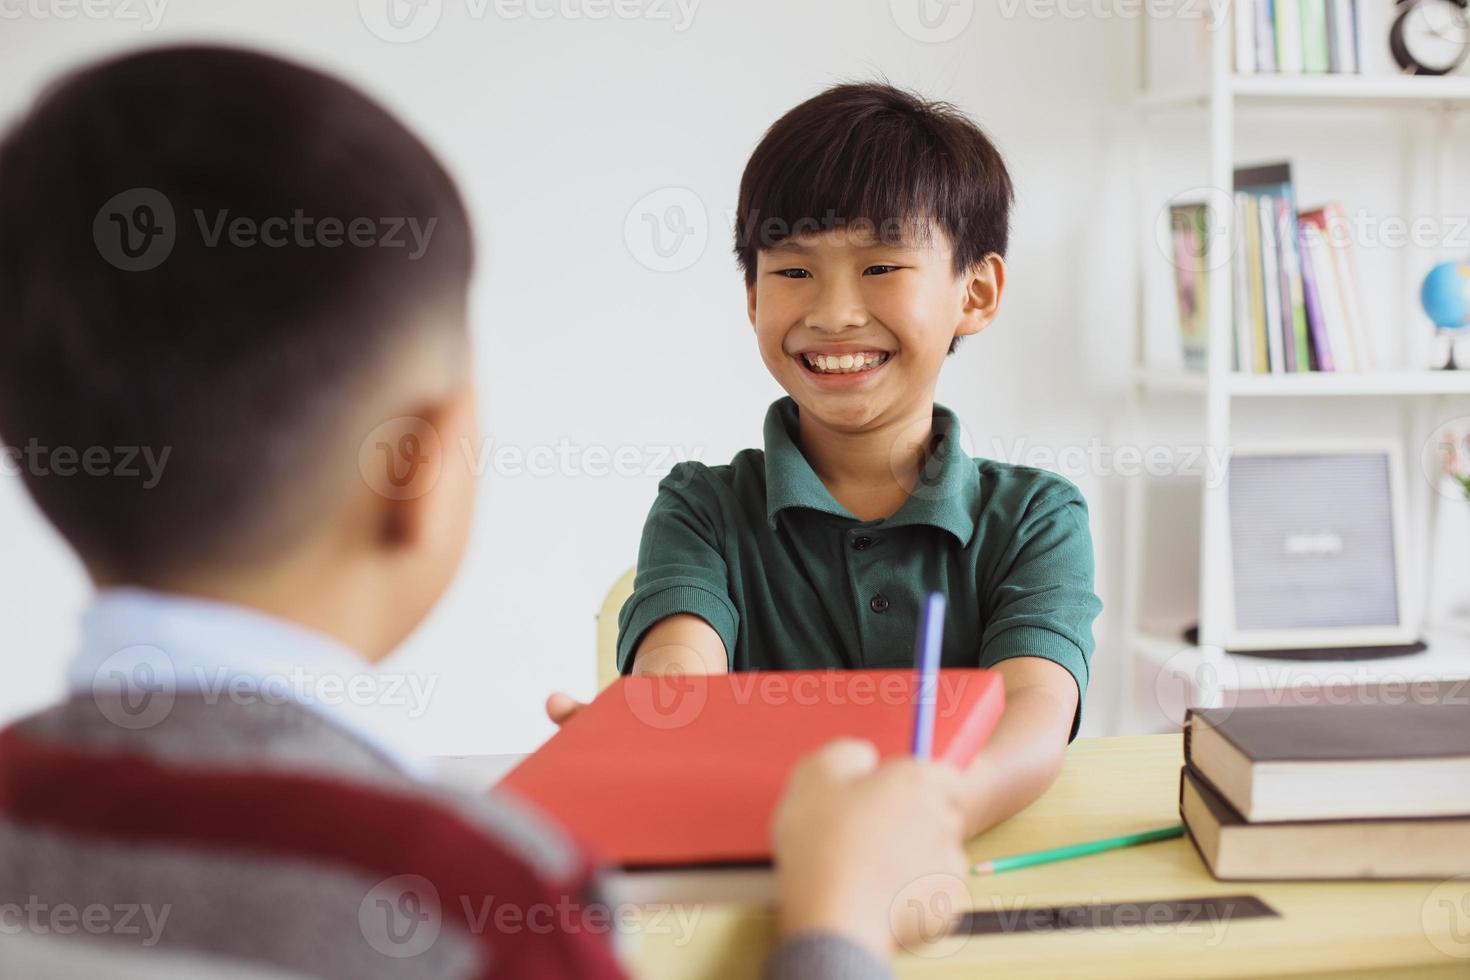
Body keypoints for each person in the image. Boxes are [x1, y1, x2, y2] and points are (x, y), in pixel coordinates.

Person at [0, 48, 968, 979]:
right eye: (793, 268)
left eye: (881, 267)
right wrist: (839, 914)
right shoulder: (479, 900)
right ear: (413, 467)